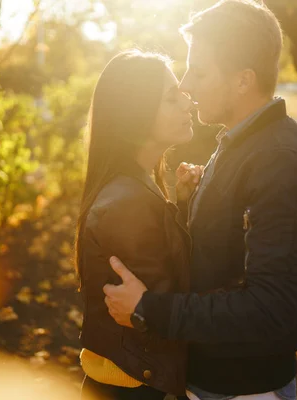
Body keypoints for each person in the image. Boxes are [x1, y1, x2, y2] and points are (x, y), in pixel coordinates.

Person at [102, 1, 297, 399]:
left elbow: (271, 309)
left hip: (244, 389)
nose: (187, 85)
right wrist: (194, 205)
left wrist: (148, 310)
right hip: (212, 382)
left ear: (243, 80)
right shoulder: (240, 143)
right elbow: (227, 257)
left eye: (200, 71)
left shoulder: (281, 162)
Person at [75, 49, 202, 400]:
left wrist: (184, 205)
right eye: (171, 98)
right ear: (136, 116)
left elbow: (163, 272)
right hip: (134, 388)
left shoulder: (136, 185)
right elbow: (164, 310)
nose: (187, 105)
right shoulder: (128, 202)